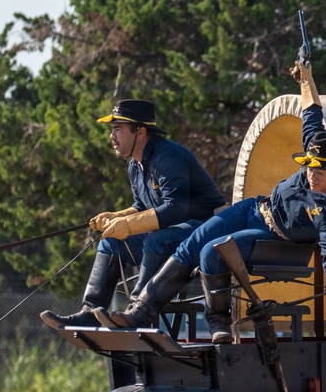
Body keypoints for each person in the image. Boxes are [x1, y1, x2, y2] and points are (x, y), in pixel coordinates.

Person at [94, 61, 326, 343]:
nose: (311, 176)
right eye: (308, 167)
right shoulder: (316, 154)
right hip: (254, 209)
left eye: (319, 172)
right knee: (194, 241)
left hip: (275, 236)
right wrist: (306, 79)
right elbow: (311, 115)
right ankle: (142, 311)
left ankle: (218, 321)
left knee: (213, 251)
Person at [40, 99, 227, 328]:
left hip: (204, 231)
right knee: (110, 242)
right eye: (112, 129)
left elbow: (176, 209)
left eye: (118, 129)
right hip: (173, 236)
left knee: (155, 239)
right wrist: (116, 217)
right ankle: (90, 312)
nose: (112, 135)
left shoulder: (168, 156)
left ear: (140, 132)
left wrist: (128, 225)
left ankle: (138, 310)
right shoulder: (134, 165)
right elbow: (141, 206)